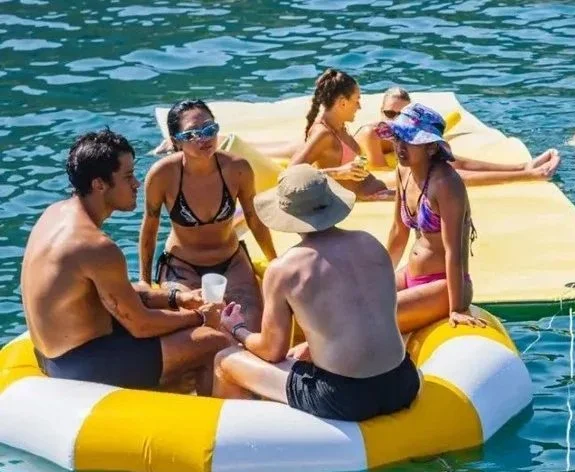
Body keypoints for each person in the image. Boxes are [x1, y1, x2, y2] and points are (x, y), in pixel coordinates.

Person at [22, 130, 228, 394]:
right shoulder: (95, 246)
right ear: (99, 185)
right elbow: (140, 325)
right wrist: (199, 316)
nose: (137, 184)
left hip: (52, 354)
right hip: (78, 366)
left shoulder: (55, 213)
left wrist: (177, 298)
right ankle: (205, 420)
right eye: (128, 176)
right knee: (213, 341)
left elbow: (120, 296)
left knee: (181, 311)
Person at [212, 165, 418, 422]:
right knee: (300, 353)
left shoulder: (284, 270)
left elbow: (271, 351)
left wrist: (237, 329)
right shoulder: (370, 243)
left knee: (225, 360)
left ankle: (241, 440)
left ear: (286, 213)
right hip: (402, 383)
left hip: (345, 398)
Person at [140, 100, 276, 331]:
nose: (205, 138)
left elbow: (254, 218)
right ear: (175, 141)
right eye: (194, 133)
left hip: (231, 261)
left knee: (251, 325)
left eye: (210, 129)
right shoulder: (162, 175)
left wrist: (274, 262)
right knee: (194, 329)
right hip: (182, 266)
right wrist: (144, 280)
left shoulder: (237, 168)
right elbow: (150, 228)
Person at [385, 103, 484, 334]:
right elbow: (398, 232)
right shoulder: (403, 171)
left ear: (430, 149)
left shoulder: (446, 184)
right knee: (354, 302)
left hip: (444, 286)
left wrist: (456, 308)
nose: (400, 146)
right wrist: (381, 278)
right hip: (411, 274)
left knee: (377, 315)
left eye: (409, 140)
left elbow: (454, 250)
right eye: (397, 137)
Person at [357, 87, 561, 182]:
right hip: (389, 171)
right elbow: (381, 172)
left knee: (449, 160)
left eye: (401, 114)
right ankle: (527, 175)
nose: (395, 119)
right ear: (380, 112)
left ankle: (521, 166)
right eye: (389, 114)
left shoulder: (405, 133)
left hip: (405, 154)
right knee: (444, 174)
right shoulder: (372, 133)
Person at [289, 69, 391, 200]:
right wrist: (337, 173)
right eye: (356, 100)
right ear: (342, 102)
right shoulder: (323, 133)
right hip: (370, 197)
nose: (359, 107)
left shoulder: (340, 126)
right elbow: (291, 174)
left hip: (377, 189)